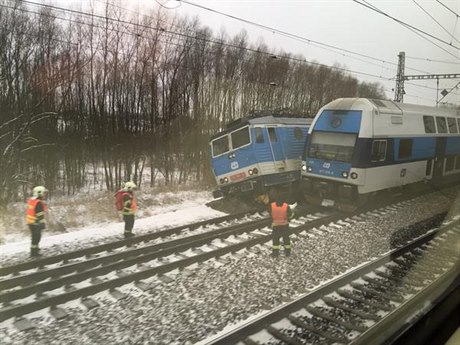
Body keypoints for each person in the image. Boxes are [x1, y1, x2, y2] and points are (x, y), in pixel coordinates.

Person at [26, 186, 48, 257]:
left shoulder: (32, 200)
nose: (44, 194)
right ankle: (34, 253)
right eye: (43, 193)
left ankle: (35, 251)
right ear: (39, 193)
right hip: (36, 223)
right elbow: (40, 214)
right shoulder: (38, 202)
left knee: (34, 237)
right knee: (36, 238)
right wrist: (42, 224)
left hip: (31, 222)